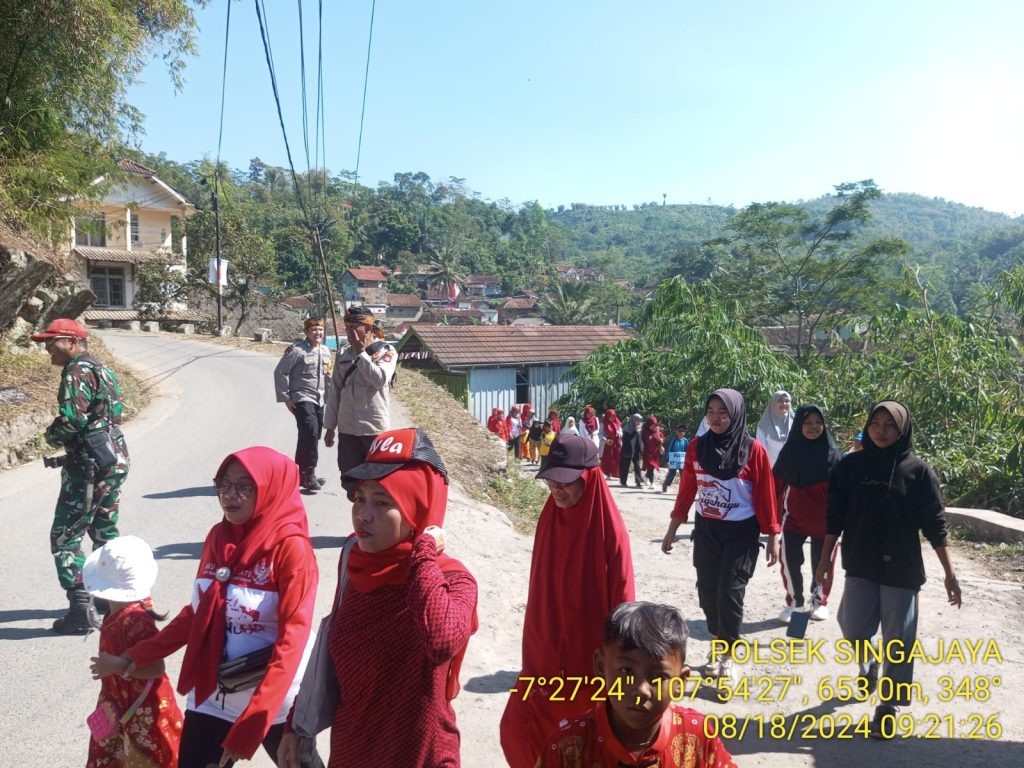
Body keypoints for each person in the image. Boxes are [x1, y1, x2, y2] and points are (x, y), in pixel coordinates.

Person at [100, 447, 323, 768]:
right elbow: (196, 615)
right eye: (224, 484)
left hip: (278, 701)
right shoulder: (218, 537)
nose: (229, 495)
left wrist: (252, 724)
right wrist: (134, 657)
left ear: (271, 488)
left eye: (245, 486)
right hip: (215, 695)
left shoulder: (291, 550)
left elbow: (293, 641)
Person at [279, 427, 478, 767]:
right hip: (352, 751)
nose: (363, 514)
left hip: (421, 756)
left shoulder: (452, 580)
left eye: (382, 502)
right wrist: (296, 725)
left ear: (418, 510)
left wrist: (423, 552)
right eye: (360, 499)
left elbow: (441, 639)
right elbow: (331, 648)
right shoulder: (353, 561)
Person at [814, 400, 962, 739]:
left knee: (899, 640)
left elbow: (935, 526)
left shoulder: (918, 472)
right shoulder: (850, 467)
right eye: (876, 423)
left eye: (890, 425)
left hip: (902, 569)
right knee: (852, 627)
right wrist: (824, 559)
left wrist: (949, 573)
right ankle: (869, 666)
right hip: (860, 562)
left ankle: (888, 706)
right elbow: (834, 516)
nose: (881, 431)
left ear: (903, 430)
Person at [500, 434, 635, 768]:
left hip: (587, 656)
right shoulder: (550, 516)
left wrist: (619, 660)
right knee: (518, 728)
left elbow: (623, 598)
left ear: (588, 478)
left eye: (565, 482)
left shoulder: (609, 529)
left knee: (581, 740)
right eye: (550, 481)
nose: (556, 490)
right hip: (544, 647)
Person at [661, 389, 780, 681]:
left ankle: (727, 656)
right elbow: (687, 489)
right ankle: (718, 643)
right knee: (708, 593)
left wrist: (773, 536)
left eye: (722, 412)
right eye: (711, 411)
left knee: (730, 592)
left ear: (736, 414)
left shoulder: (753, 450)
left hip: (742, 532)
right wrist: (672, 529)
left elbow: (766, 496)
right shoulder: (696, 448)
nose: (715, 417)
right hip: (707, 530)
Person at [535, 601, 736, 768]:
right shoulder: (569, 744)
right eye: (626, 671)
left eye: (658, 677)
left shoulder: (697, 735)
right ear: (601, 667)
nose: (641, 690)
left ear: (680, 682)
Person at [31, 318, 131, 634]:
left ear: (72, 342)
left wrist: (51, 435)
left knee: (65, 535)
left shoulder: (76, 371)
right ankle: (110, 597)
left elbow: (72, 420)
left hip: (89, 467)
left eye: (51, 341)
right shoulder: (101, 367)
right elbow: (113, 413)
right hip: (112, 459)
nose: (46, 347)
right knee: (104, 530)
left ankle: (79, 609)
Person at [85, 536, 183, 767]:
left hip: (142, 710)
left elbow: (156, 667)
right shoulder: (118, 613)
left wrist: (116, 665)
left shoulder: (135, 619)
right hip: (118, 705)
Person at [773, 405, 841, 622]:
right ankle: (795, 603)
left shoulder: (833, 454)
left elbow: (844, 491)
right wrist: (772, 524)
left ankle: (819, 601)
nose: (814, 427)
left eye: (818, 423)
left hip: (826, 523)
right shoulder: (789, 453)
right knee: (790, 559)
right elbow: (776, 487)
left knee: (822, 563)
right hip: (794, 519)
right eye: (808, 423)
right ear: (799, 425)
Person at [324, 306, 397, 497]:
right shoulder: (343, 354)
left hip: (373, 430)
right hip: (348, 430)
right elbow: (335, 391)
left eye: (355, 328)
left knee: (377, 483)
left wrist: (361, 354)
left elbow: (379, 379)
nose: (350, 333)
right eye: (347, 328)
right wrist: (330, 426)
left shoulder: (386, 352)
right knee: (351, 482)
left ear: (369, 328)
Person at [274, 318, 333, 492]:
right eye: (314, 330)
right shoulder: (296, 351)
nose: (318, 333)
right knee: (310, 431)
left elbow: (328, 376)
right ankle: (309, 474)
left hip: (319, 399)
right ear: (306, 332)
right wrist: (286, 397)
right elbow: (280, 372)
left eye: (320, 330)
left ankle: (301, 475)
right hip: (301, 397)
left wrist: (332, 399)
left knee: (311, 435)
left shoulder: (326, 351)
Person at [755, 390, 794, 466]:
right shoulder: (763, 425)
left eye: (787, 401)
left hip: (793, 471)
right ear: (773, 403)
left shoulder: (797, 421)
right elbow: (761, 451)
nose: (784, 403)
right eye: (780, 400)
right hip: (771, 469)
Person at [661, 425, 689, 493]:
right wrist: (667, 460)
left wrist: (688, 460)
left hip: (682, 461)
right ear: (676, 432)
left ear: (684, 433)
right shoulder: (673, 440)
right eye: (679, 431)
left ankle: (683, 489)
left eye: (682, 432)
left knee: (683, 474)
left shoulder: (685, 441)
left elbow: (687, 451)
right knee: (671, 473)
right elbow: (669, 449)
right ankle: (665, 484)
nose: (680, 433)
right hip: (673, 460)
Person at [618, 413, 643, 488]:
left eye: (640, 421)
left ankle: (638, 482)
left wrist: (641, 449)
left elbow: (640, 439)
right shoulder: (627, 427)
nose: (639, 422)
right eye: (638, 420)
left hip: (636, 449)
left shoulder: (639, 428)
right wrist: (635, 431)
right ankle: (623, 482)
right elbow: (626, 439)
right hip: (627, 449)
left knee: (637, 466)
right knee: (625, 466)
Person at [641, 415, 664, 488]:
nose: (654, 427)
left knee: (652, 467)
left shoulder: (658, 431)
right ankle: (652, 482)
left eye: (655, 425)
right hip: (647, 452)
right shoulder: (644, 432)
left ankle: (645, 477)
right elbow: (641, 442)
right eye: (652, 426)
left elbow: (661, 437)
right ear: (649, 425)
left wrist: (661, 444)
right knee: (651, 466)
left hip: (655, 453)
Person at [599, 408, 622, 480]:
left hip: (616, 443)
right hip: (607, 444)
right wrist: (606, 440)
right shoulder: (603, 423)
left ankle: (615, 474)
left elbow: (621, 431)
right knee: (607, 459)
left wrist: (619, 434)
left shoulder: (617, 422)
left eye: (613, 417)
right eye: (610, 417)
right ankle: (606, 473)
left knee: (617, 458)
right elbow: (600, 434)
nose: (612, 418)